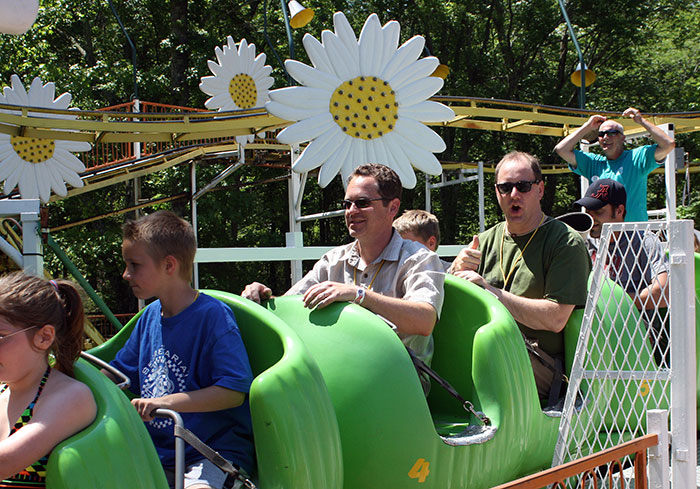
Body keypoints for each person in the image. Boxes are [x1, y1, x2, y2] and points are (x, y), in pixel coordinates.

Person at [242, 164, 445, 391]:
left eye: (362, 203)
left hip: (399, 382)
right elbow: (290, 309)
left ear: (392, 208)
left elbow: (425, 320)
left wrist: (358, 295)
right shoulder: (334, 260)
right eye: (347, 204)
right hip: (336, 373)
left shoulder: (419, 258)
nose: (351, 211)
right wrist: (263, 296)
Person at [107, 211, 254, 489]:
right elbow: (115, 375)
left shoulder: (213, 317)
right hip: (160, 454)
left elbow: (233, 392)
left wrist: (163, 402)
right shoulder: (149, 316)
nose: (126, 274)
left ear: (169, 265)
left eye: (135, 265)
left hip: (212, 454)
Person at [449, 151, 591, 405]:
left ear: (539, 190)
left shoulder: (565, 241)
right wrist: (455, 273)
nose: (514, 194)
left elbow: (556, 318)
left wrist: (490, 292)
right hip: (488, 348)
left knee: (486, 359)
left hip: (541, 364)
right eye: (505, 187)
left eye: (523, 186)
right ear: (496, 192)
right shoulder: (483, 241)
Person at [0, 272, 97, 487]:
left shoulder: (70, 396)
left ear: (44, 337)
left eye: (0, 337)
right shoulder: (2, 392)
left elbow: (5, 461)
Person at [573, 178, 669, 364]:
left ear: (619, 210)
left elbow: (662, 293)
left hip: (636, 337)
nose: (591, 219)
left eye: (598, 212)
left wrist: (612, 305)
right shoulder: (583, 243)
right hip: (589, 335)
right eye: (588, 213)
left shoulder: (645, 242)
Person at [554, 107, 676, 222]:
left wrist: (641, 121)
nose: (605, 137)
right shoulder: (593, 163)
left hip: (634, 234)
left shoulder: (636, 158)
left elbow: (668, 144)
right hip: (605, 235)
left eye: (611, 133)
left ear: (623, 138)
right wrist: (587, 127)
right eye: (601, 134)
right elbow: (561, 149)